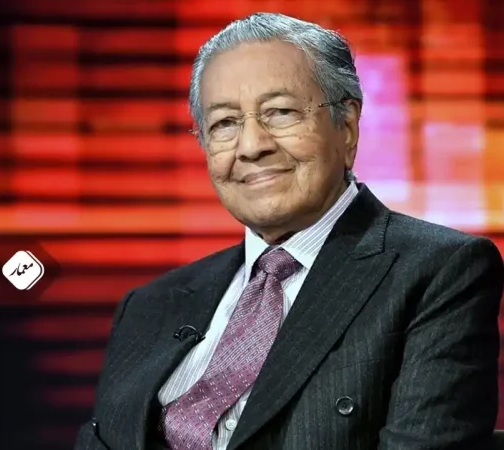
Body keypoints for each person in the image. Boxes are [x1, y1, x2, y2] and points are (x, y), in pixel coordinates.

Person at [74, 12, 504, 450]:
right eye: (224, 123)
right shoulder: (149, 306)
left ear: (346, 126)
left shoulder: (437, 272)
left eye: (280, 113)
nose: (251, 146)